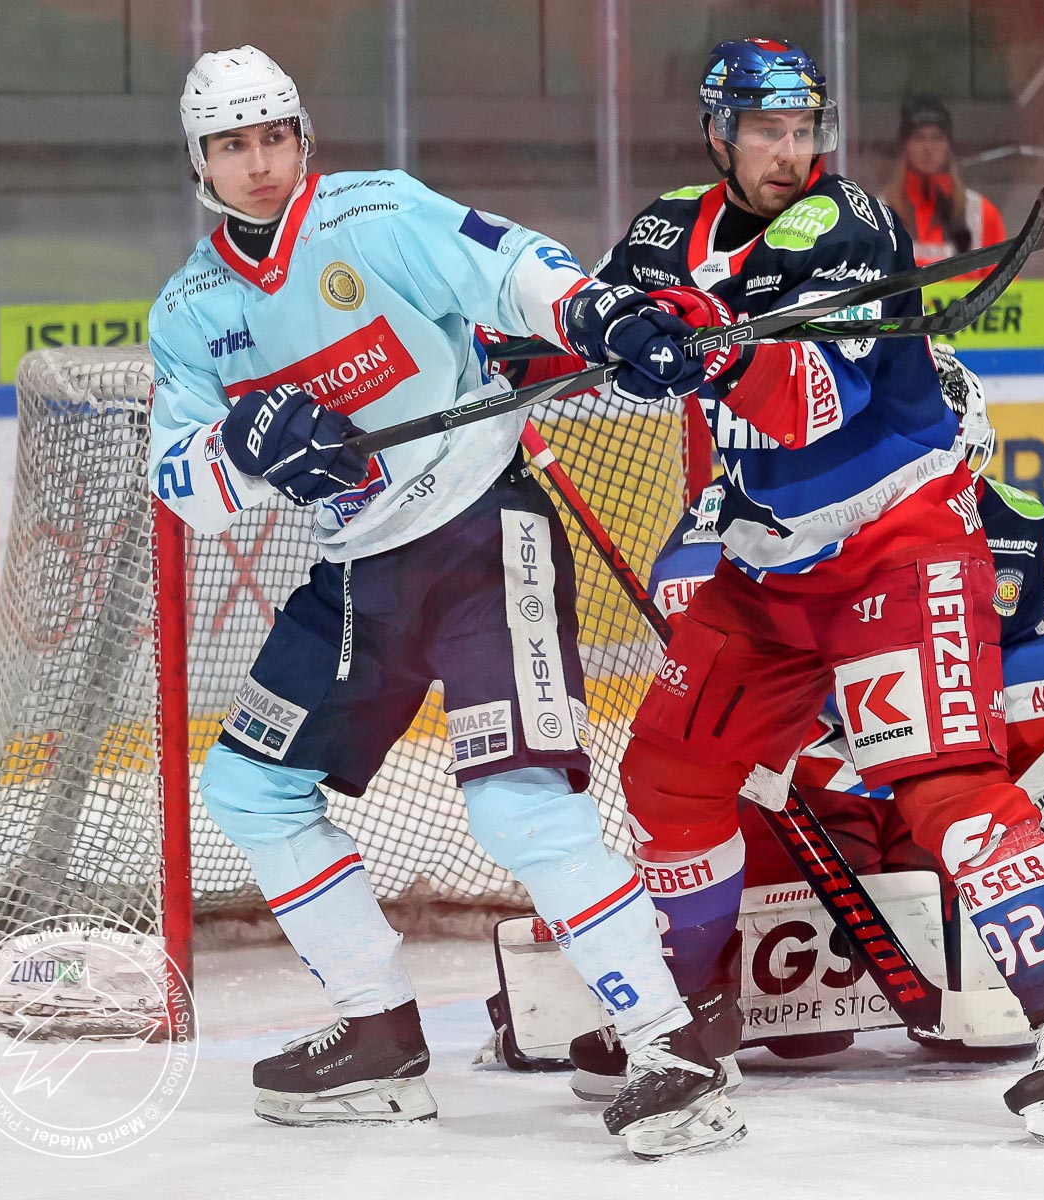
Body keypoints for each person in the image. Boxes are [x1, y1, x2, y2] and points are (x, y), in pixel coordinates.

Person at [148, 46, 743, 1157]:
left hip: (480, 533)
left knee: (518, 804)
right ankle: (378, 1032)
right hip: (356, 574)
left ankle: (669, 1046)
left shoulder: (376, 213)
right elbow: (183, 484)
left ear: (303, 140)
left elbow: (511, 268)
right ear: (201, 163)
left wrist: (600, 316)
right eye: (233, 145)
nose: (260, 162)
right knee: (249, 788)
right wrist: (242, 443)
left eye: (275, 137)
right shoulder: (187, 311)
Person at [582, 37, 1044, 1144]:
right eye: (766, 131)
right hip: (767, 569)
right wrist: (586, 337)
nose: (790, 153)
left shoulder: (849, 226)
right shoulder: (666, 229)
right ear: (718, 134)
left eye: (804, 131)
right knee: (670, 771)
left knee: (939, 781)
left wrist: (707, 349)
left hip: (895, 545)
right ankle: (692, 1025)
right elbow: (594, 324)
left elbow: (809, 405)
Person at [882, 94, 1008, 270]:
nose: (928, 148)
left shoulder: (981, 214)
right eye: (919, 137)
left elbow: (1004, 281)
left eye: (937, 137)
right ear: (905, 146)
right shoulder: (878, 214)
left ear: (949, 146)